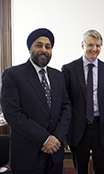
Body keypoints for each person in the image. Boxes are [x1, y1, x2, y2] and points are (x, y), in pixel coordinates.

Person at [0, 28, 71, 174]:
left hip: (55, 154)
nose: (44, 50)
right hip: (27, 156)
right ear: (29, 48)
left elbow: (66, 108)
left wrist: (56, 138)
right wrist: (45, 139)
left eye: (48, 46)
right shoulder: (13, 74)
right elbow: (13, 114)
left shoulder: (58, 76)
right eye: (39, 45)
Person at [62, 29, 104, 174]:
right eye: (91, 45)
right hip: (78, 128)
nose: (94, 49)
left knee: (100, 168)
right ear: (82, 45)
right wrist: (64, 133)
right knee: (80, 168)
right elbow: (64, 104)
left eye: (98, 46)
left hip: (101, 128)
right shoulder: (68, 69)